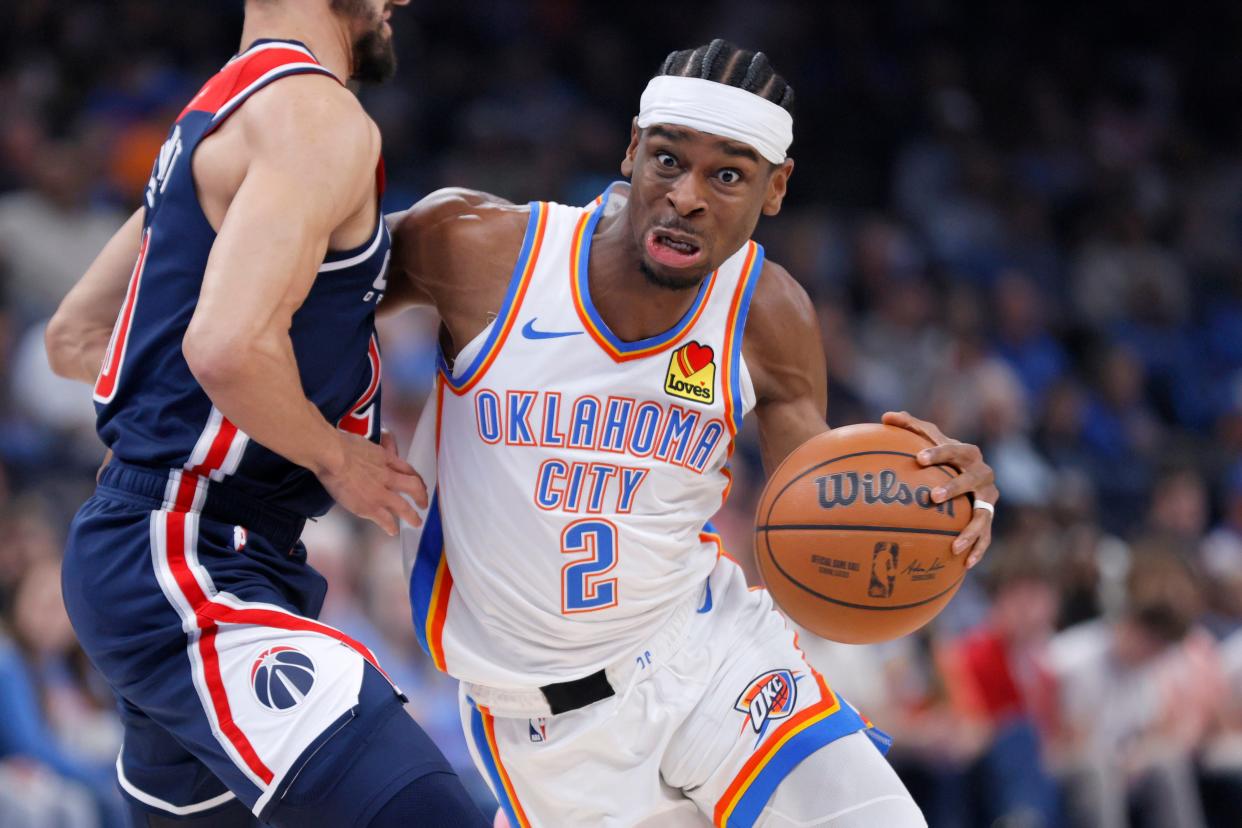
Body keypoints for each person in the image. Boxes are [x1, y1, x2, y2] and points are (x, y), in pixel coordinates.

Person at [384, 40, 1000, 827]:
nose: (687, 197)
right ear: (632, 150)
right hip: (541, 724)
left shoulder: (768, 312)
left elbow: (816, 505)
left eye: (729, 176)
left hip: (707, 654)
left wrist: (934, 500)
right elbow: (308, 289)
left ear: (776, 190)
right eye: (669, 161)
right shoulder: (483, 249)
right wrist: (330, 438)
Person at [44, 1, 488, 825]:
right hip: (192, 558)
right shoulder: (316, 113)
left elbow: (76, 336)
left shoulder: (208, 120)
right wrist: (335, 455)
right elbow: (224, 346)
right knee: (427, 810)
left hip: (162, 548)